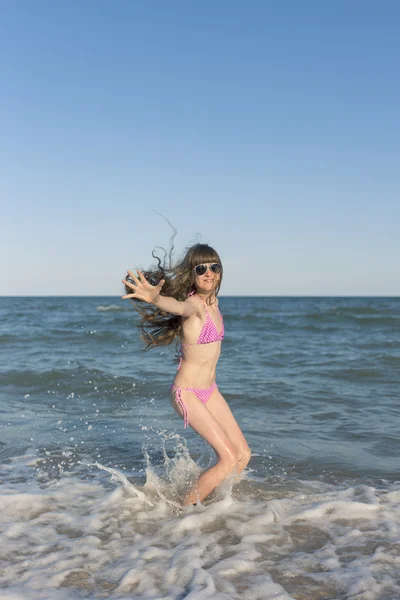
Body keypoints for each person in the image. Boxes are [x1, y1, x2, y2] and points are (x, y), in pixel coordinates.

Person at [122, 243, 251, 506]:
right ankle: (185, 514)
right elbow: (178, 307)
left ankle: (219, 505)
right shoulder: (194, 304)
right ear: (191, 274)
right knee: (227, 458)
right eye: (200, 268)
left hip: (210, 390)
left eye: (214, 267)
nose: (208, 273)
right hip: (187, 393)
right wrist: (155, 299)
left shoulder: (213, 302)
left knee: (242, 455)